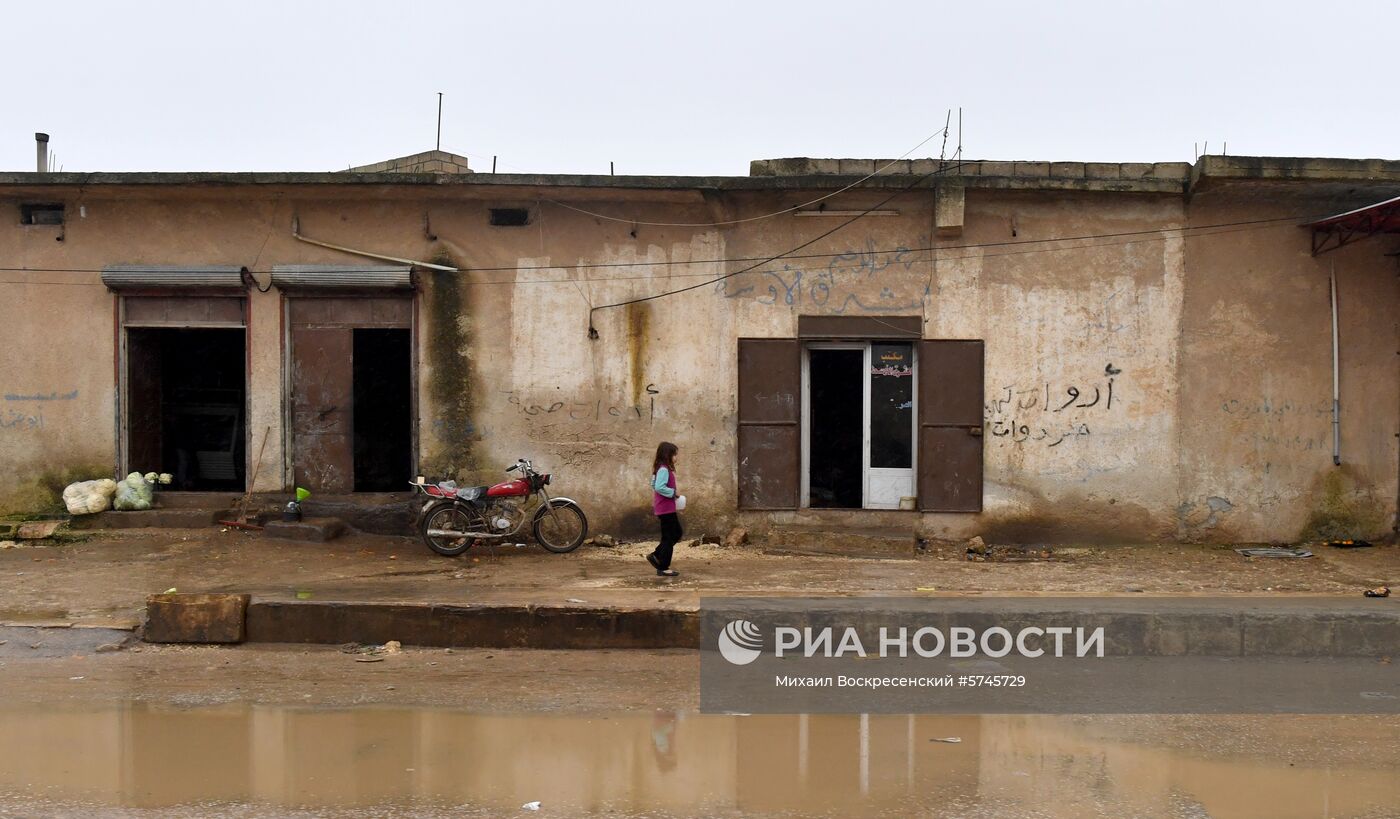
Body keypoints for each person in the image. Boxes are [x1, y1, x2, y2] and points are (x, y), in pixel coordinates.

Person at [647, 441, 682, 577]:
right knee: (671, 536)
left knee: (674, 534)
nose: (676, 458)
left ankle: (657, 555)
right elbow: (659, 487)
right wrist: (672, 493)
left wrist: (673, 494)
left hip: (665, 507)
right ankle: (662, 566)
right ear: (668, 455)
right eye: (674, 455)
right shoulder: (663, 469)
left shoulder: (660, 468)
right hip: (665, 508)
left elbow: (653, 483)